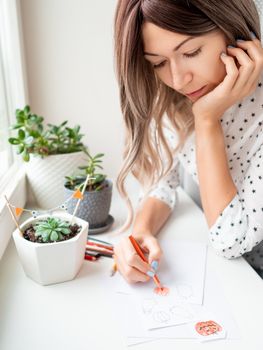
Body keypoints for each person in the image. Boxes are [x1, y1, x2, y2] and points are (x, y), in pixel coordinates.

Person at [113, 0, 263, 283]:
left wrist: (206, 120)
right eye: (157, 62)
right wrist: (141, 231)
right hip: (236, 283)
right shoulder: (176, 97)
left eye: (191, 52)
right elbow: (163, 182)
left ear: (233, 28)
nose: (179, 80)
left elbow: (230, 240)